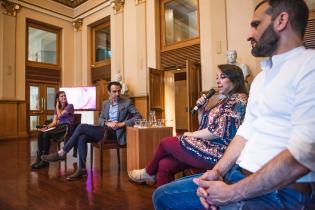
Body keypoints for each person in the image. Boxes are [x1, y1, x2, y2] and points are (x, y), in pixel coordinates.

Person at [152, 0, 315, 209]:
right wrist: (217, 172)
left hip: (281, 191)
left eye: (255, 24)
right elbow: (244, 133)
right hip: (237, 173)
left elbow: (304, 153)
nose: (248, 34)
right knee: (163, 196)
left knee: (169, 147)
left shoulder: (309, 66)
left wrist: (231, 193)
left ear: (281, 20)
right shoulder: (262, 78)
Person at [128, 64, 248, 187]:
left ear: (235, 79)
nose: (217, 81)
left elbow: (217, 131)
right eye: (217, 77)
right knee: (164, 165)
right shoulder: (225, 100)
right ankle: (167, 202)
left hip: (219, 151)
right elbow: (204, 125)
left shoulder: (238, 100)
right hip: (208, 144)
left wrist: (191, 134)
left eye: (222, 77)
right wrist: (201, 109)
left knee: (166, 142)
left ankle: (148, 172)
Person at [41, 81, 142, 180]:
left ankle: (62, 152)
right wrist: (106, 123)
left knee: (81, 127)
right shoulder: (105, 103)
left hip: (116, 133)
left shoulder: (127, 102)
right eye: (114, 91)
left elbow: (139, 117)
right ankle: (82, 169)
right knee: (82, 136)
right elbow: (101, 119)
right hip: (105, 129)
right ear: (109, 92)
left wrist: (122, 123)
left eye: (119, 91)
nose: (117, 94)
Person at [31, 91, 74, 169]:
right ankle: (40, 157)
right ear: (58, 99)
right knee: (41, 133)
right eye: (62, 96)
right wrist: (46, 127)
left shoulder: (70, 106)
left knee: (46, 134)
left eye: (65, 96)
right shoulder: (57, 109)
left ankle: (44, 161)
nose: (64, 97)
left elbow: (60, 117)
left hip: (66, 128)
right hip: (58, 128)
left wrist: (57, 107)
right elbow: (54, 122)